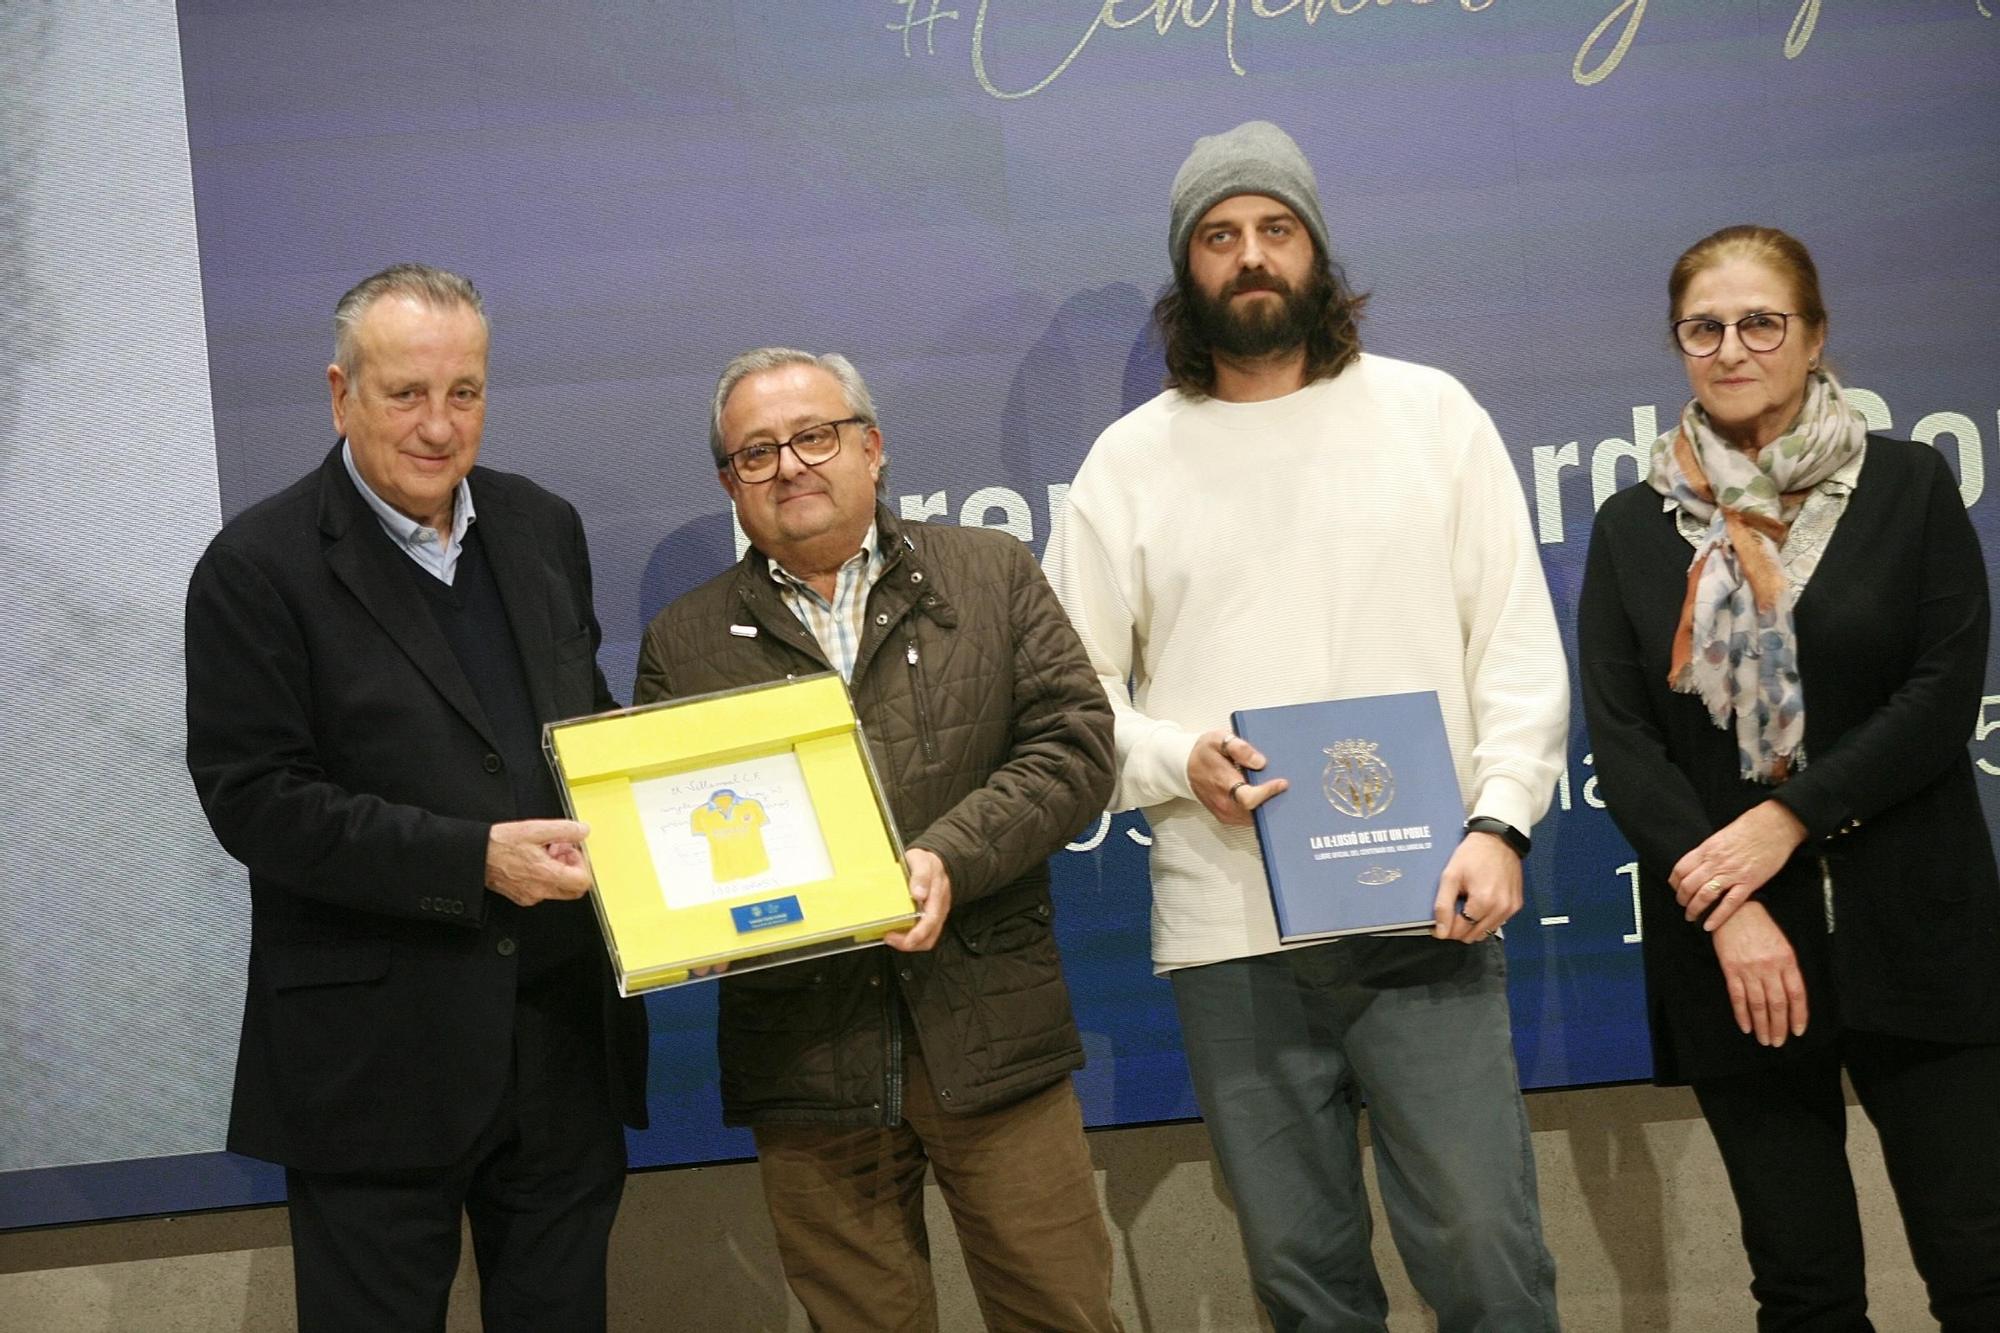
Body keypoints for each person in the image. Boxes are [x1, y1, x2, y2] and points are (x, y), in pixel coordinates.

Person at [1044, 121, 1566, 1332]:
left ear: (1316, 253)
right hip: (1232, 935)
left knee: (1486, 1249)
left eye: (1274, 230)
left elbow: (1516, 652)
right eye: (1219, 238)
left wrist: (1499, 823)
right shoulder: (1127, 463)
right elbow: (1076, 708)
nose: (1250, 257)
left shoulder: (1430, 416)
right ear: (1189, 274)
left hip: (1426, 901)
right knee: (1300, 1272)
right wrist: (1180, 759)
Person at [184, 264, 649, 1333]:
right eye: (407, 394)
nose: (440, 427)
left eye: (466, 392)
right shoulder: (255, 565)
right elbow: (253, 799)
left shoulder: (541, 526)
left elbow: (576, 723)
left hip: (557, 1049)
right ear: (341, 392)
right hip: (375, 1067)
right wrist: (469, 857)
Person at [632, 348, 1123, 1332]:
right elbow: (660, 846)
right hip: (807, 1062)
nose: (790, 466)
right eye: (756, 452)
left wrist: (948, 854)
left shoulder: (989, 574)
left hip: (992, 1035)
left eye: (814, 435)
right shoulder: (681, 643)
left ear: (872, 447)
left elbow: (1075, 748)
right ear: (730, 482)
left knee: (1063, 1314)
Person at [1577, 224, 2000, 1331]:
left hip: (1919, 927)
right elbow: (1623, 742)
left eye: (1759, 321)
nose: (1730, 347)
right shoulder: (1630, 525)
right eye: (1701, 328)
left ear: (1812, 337)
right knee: (1803, 1290)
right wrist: (1731, 903)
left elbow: (1938, 698)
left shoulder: (1906, 485)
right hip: (1733, 949)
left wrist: (1785, 820)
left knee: (1980, 1265)